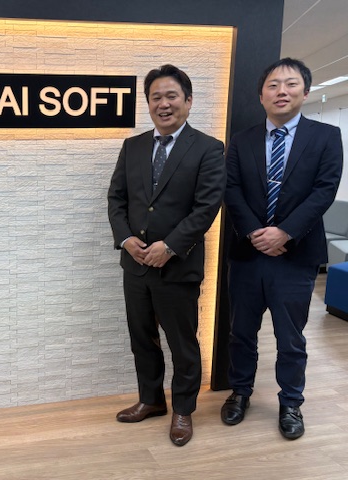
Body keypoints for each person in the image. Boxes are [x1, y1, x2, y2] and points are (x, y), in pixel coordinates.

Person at [221, 58, 343, 439]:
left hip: (296, 256)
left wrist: (285, 233)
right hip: (247, 254)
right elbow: (231, 189)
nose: (281, 92)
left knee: (291, 338)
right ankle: (240, 392)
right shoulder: (241, 140)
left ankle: (291, 402)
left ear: (305, 92)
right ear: (261, 96)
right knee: (241, 332)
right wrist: (256, 233)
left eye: (290, 84)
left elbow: (324, 191)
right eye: (273, 85)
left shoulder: (326, 137)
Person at [107, 64, 226, 446]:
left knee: (182, 343)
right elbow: (116, 199)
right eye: (155, 97)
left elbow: (206, 207)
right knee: (142, 338)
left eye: (171, 95)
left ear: (188, 101)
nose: (163, 103)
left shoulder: (209, 148)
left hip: (178, 267)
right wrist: (126, 239)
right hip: (136, 266)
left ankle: (183, 410)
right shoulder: (133, 146)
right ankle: (152, 400)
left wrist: (170, 246)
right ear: (148, 103)